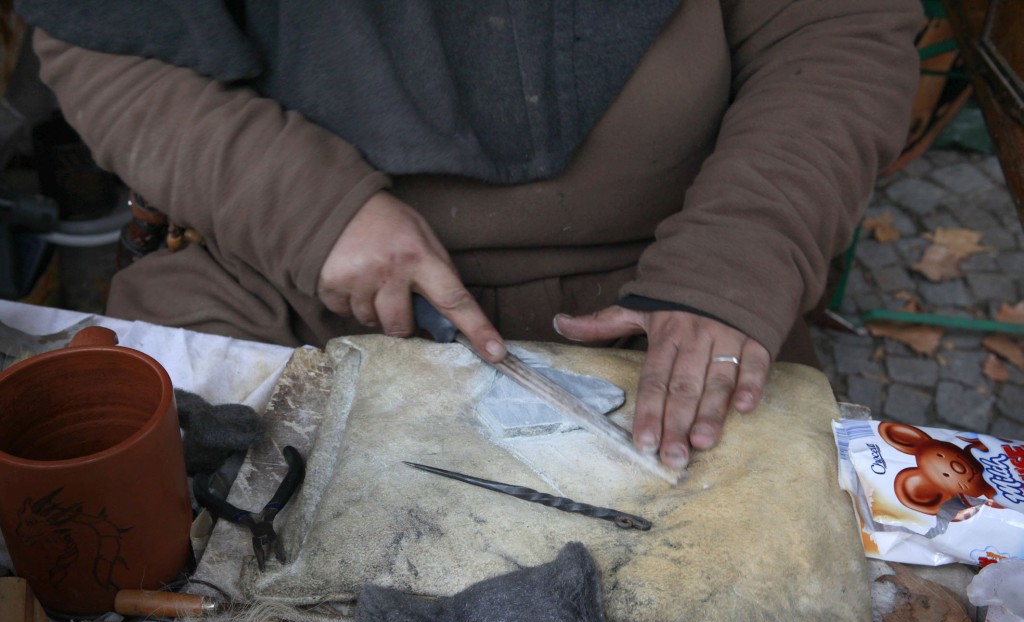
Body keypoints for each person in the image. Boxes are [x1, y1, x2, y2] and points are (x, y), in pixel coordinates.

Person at [18, 0, 922, 473]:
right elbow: (104, 41)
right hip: (294, 277)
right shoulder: (296, 230)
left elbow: (838, 28)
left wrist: (733, 261)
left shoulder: (703, 270)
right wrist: (307, 210)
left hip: (664, 291)